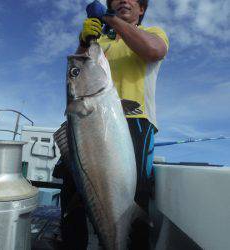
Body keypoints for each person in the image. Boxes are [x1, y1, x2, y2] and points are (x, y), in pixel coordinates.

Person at [63, 0, 169, 248]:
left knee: (135, 198)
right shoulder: (100, 44)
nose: (122, 0)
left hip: (134, 123)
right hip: (87, 125)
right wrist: (84, 40)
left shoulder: (152, 33)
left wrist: (111, 19)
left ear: (141, 9)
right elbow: (77, 70)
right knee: (73, 192)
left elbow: (155, 51)